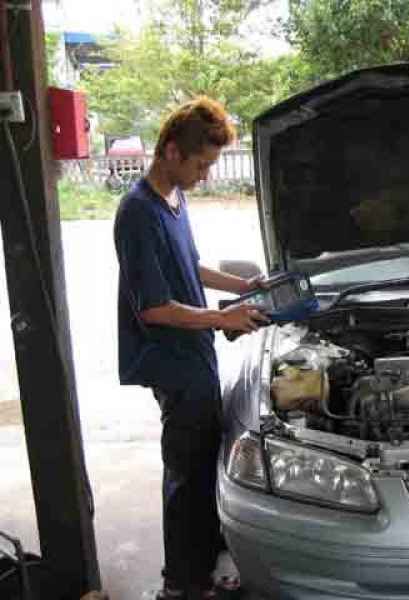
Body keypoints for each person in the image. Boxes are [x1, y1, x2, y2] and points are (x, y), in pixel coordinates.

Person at [113, 96, 266, 599]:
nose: (205, 176)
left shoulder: (174, 199)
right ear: (172, 152)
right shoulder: (138, 213)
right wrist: (222, 318)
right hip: (170, 362)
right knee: (186, 473)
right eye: (201, 165)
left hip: (195, 353)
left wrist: (243, 288)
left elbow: (190, 266)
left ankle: (205, 561)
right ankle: (180, 584)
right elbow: (154, 309)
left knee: (204, 462)